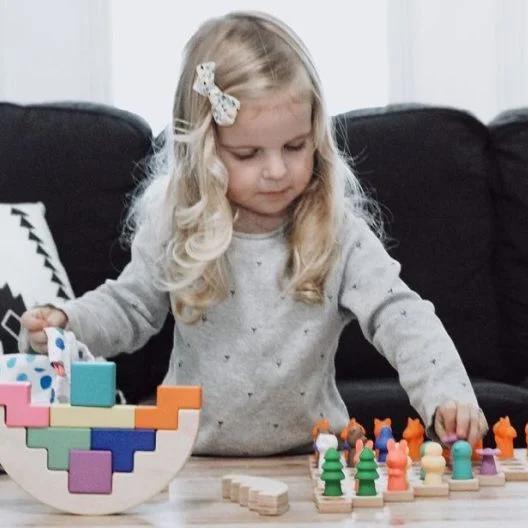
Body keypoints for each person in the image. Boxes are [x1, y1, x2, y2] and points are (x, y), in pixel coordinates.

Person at [19, 10, 488, 456]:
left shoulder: (336, 231)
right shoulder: (178, 225)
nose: (277, 170)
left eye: (295, 146)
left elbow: (399, 313)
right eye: (248, 154)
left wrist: (448, 395)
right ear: (205, 150)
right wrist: (69, 321)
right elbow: (130, 306)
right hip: (188, 461)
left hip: (313, 459)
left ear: (317, 136)